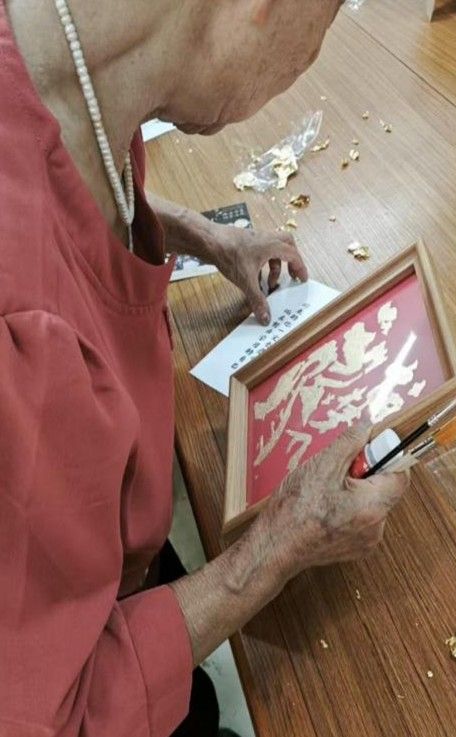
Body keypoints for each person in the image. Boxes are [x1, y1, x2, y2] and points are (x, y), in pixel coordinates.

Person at [0, 1, 409, 735]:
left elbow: (70, 161)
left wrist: (200, 233)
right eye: (323, 25)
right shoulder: (18, 331)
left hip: (115, 563)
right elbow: (56, 713)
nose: (307, 61)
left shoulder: (53, 51)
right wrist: (277, 547)